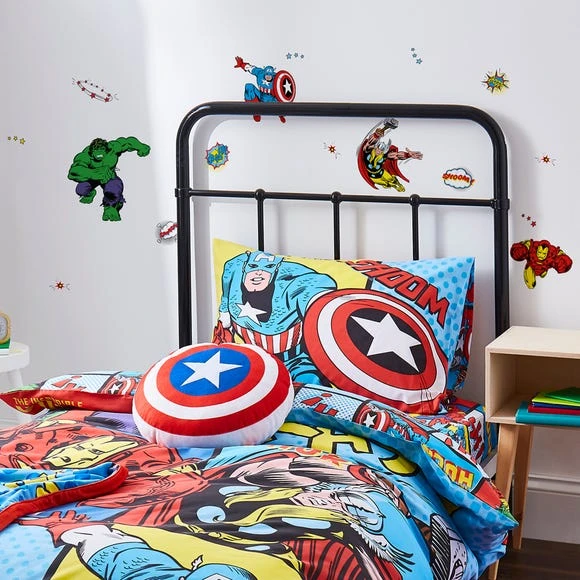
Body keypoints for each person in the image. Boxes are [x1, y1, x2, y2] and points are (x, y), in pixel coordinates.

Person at [68, 136, 150, 221]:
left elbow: (127, 142)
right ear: (91, 152)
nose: (99, 154)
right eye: (96, 151)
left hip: (109, 176)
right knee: (81, 190)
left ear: (106, 150)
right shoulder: (85, 155)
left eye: (101, 151)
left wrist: (141, 146)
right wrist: (93, 173)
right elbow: (73, 171)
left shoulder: (113, 148)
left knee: (113, 190)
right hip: (92, 178)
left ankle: (111, 207)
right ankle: (90, 194)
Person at [357, 118, 422, 192]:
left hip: (382, 173)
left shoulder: (383, 155)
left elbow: (396, 155)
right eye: (378, 149)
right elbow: (368, 144)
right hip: (374, 177)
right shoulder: (368, 152)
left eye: (381, 150)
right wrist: (376, 135)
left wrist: (407, 155)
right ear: (376, 147)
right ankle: (393, 185)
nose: (379, 151)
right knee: (386, 185)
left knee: (392, 180)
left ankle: (396, 183)